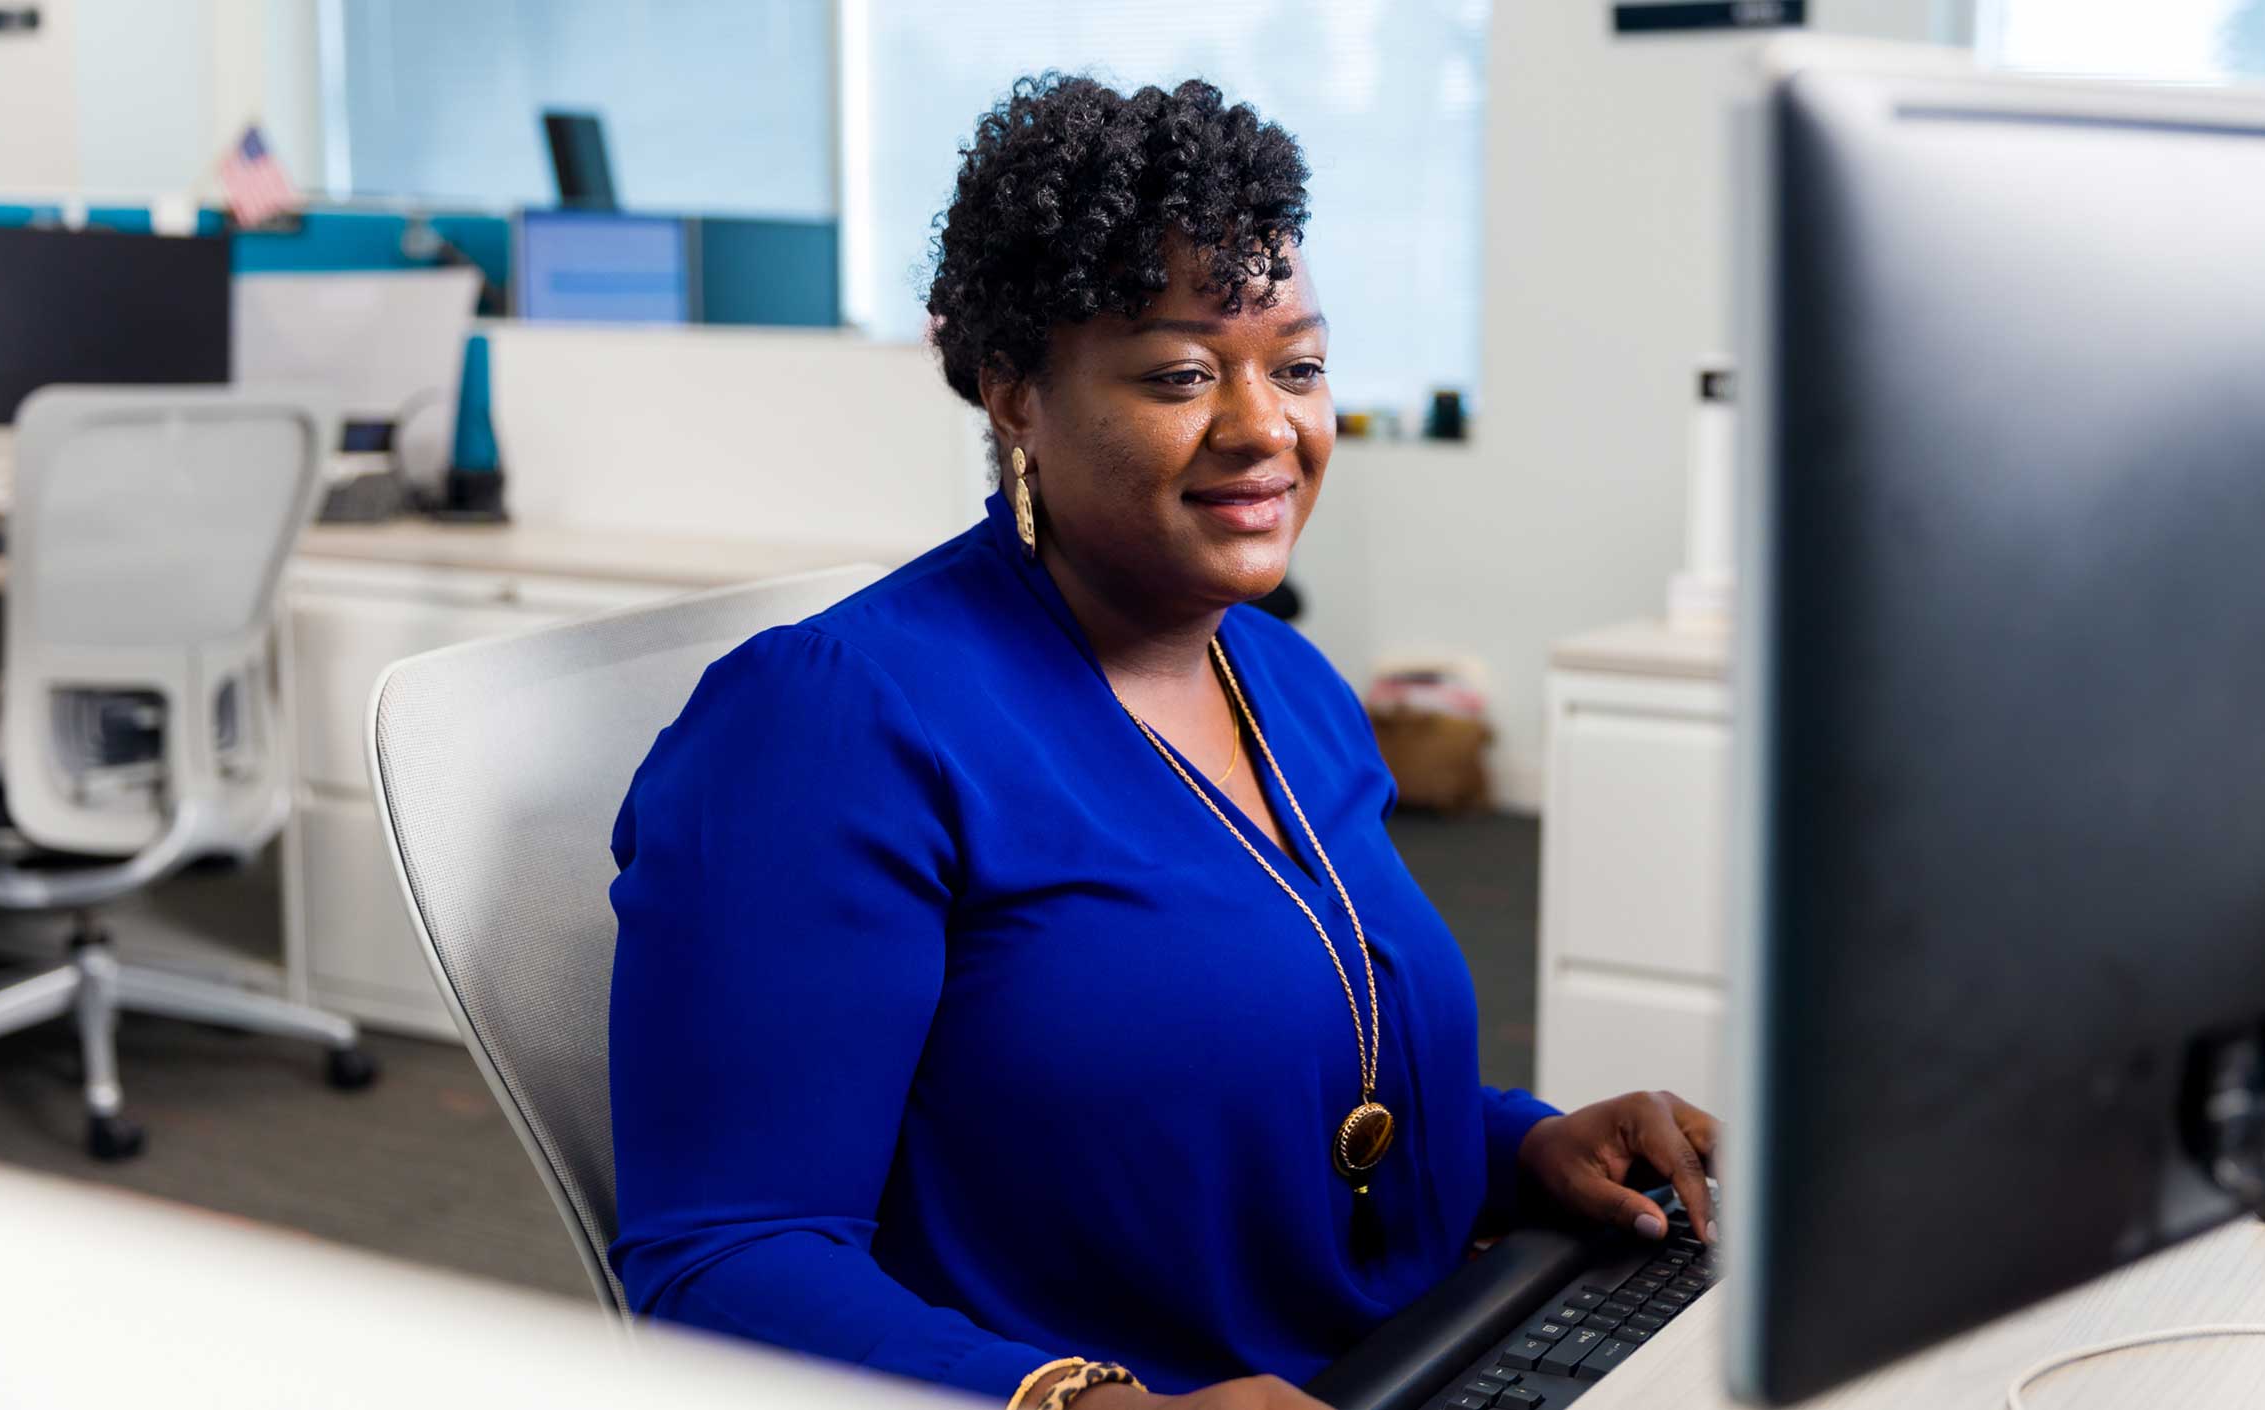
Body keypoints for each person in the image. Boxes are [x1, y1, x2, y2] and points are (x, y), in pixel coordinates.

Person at [604, 74, 1720, 1410]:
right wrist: (1092, 1402)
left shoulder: (1284, 678)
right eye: (1183, 372)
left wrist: (1521, 1145)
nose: (1266, 428)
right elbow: (721, 1255)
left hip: (1431, 1352)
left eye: (1297, 365)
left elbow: (1291, 1061)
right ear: (1016, 392)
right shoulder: (831, 725)